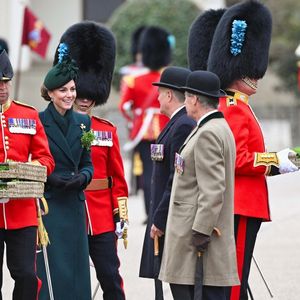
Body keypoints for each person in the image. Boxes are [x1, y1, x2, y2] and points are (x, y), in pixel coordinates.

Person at [206, 1, 299, 299]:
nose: (256, 76)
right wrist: (275, 161)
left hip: (246, 204)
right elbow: (236, 159)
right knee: (234, 278)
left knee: (239, 274)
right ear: (236, 68)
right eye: (251, 70)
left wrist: (281, 161)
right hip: (240, 204)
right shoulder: (232, 107)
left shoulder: (241, 107)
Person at [56, 21, 128, 300]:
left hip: (100, 217)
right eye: (79, 94)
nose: (83, 100)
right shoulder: (53, 126)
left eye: (89, 95)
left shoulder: (106, 130)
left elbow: (117, 178)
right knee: (68, 278)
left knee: (110, 276)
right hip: (66, 212)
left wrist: (120, 214)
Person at [159, 70, 239, 300]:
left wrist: (200, 232)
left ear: (194, 99)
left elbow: (212, 190)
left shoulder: (208, 133)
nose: (184, 103)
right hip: (197, 238)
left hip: (195, 242)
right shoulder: (216, 127)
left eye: (185, 97)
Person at [37, 43, 93, 300]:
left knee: (77, 270)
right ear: (50, 93)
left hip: (74, 203)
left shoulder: (84, 122)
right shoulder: (38, 121)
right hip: (50, 205)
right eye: (63, 90)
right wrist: (50, 177)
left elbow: (88, 163)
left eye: (72, 89)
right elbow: (34, 160)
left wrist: (83, 177)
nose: (70, 95)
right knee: (52, 270)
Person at [0, 49, 55, 299]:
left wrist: (29, 168)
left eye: (5, 82)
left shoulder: (27, 115)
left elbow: (46, 159)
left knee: (25, 275)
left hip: (22, 210)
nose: (2, 88)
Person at [139, 66, 196, 299]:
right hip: (168, 216)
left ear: (170, 95)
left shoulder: (182, 125)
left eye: (160, 93)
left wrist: (159, 219)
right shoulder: (175, 122)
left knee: (181, 287)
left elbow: (176, 177)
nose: (158, 98)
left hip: (173, 219)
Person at [119, 26, 173, 218]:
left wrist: (134, 119)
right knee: (167, 171)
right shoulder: (170, 77)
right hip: (167, 130)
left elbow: (124, 107)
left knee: (148, 173)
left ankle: (151, 213)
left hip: (143, 133)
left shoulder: (133, 80)